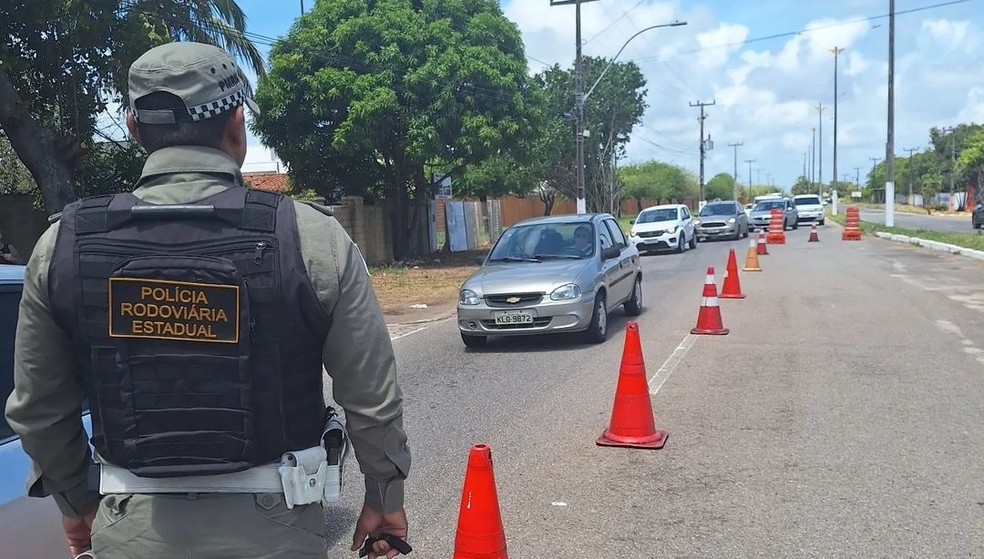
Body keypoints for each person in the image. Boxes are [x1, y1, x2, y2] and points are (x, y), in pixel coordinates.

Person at [4, 42, 411, 559]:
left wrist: (79, 502)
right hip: (278, 530)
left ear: (133, 131)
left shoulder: (60, 248)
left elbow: (38, 410)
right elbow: (370, 396)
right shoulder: (310, 238)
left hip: (129, 530)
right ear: (237, 124)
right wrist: (384, 495)